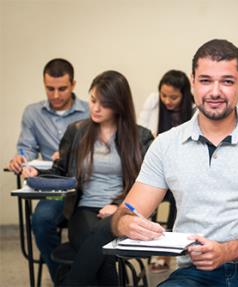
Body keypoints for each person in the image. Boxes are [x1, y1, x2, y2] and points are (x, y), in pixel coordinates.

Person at [112, 39, 238, 286]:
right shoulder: (166, 144)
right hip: (193, 275)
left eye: (227, 81)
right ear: (192, 82)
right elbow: (125, 213)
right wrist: (125, 223)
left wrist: (226, 252)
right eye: (205, 81)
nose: (215, 92)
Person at [23, 70, 154, 285]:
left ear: (118, 104)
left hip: (122, 212)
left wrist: (120, 205)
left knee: (96, 247)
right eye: (92, 100)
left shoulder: (140, 136)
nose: (95, 108)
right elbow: (61, 171)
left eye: (104, 103)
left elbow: (147, 184)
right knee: (99, 247)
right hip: (84, 209)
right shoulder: (77, 132)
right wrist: (37, 173)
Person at [8, 58, 88, 281]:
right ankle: (63, 280)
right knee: (41, 220)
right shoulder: (33, 113)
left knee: (91, 226)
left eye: (62, 89)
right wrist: (20, 159)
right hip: (55, 188)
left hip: (86, 186)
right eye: (49, 89)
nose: (55, 95)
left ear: (73, 85)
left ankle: (86, 278)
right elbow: (26, 149)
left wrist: (71, 155)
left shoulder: (91, 111)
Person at [138, 69, 194, 273]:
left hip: (180, 172)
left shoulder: (195, 111)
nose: (167, 101)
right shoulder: (153, 102)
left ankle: (166, 252)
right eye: (164, 95)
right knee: (145, 201)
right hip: (155, 168)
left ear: (185, 96)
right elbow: (141, 134)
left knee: (178, 200)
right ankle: (145, 246)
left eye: (174, 97)